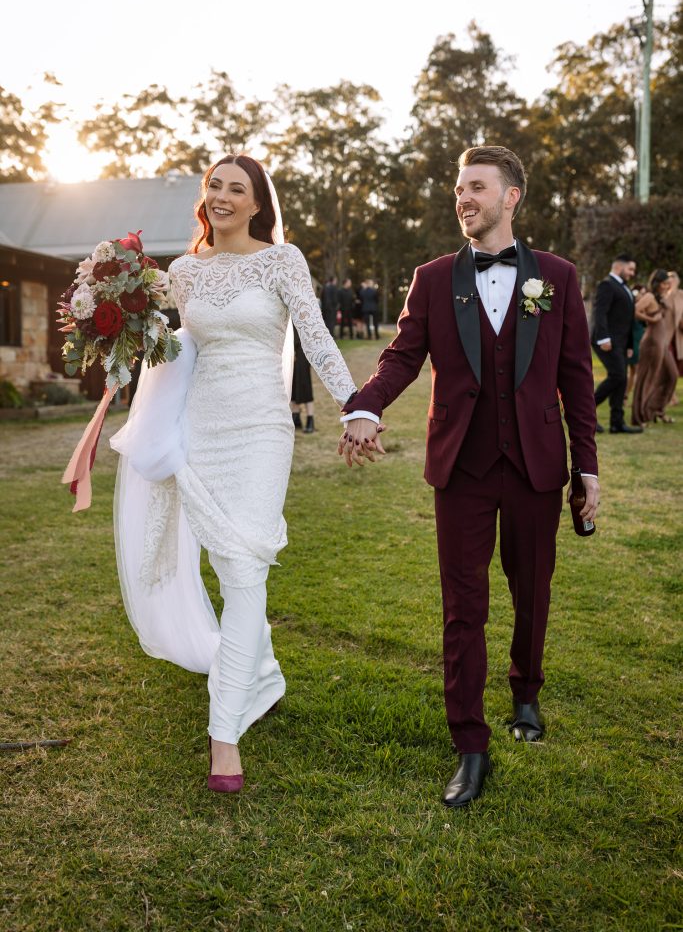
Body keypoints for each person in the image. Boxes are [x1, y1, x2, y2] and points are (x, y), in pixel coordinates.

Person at [339, 145, 599, 808]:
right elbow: (401, 357)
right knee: (463, 607)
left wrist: (587, 466)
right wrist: (365, 407)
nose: (463, 198)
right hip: (461, 467)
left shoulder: (556, 277)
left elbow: (575, 376)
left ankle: (526, 693)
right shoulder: (432, 279)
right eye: (459, 189)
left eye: (477, 187)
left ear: (510, 197)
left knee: (531, 591)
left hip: (536, 465)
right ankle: (470, 745)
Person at [110, 155, 356, 792]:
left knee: (245, 566)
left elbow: (316, 337)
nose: (222, 196)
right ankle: (263, 677)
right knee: (229, 567)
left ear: (256, 204)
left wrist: (356, 406)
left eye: (236, 188)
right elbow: (169, 349)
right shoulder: (184, 272)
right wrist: (116, 323)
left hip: (261, 430)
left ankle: (224, 734)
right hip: (201, 430)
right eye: (214, 185)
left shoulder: (282, 261)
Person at [591, 254, 642, 434]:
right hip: (606, 341)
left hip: (621, 343)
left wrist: (630, 345)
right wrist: (604, 338)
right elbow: (600, 313)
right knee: (618, 375)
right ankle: (585, 412)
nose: (632, 273)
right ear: (619, 267)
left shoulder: (624, 288)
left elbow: (628, 319)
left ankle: (617, 423)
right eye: (630, 269)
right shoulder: (607, 285)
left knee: (622, 379)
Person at [631, 269, 677, 425]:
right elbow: (634, 310)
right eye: (664, 283)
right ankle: (639, 416)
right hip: (652, 342)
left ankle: (655, 409)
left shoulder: (661, 297)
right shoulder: (649, 296)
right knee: (647, 378)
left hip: (662, 343)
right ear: (657, 283)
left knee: (671, 375)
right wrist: (651, 319)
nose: (666, 286)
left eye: (668, 284)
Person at [290, 327, 315, 433]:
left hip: (302, 350)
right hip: (293, 350)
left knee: (304, 385)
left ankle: (310, 419)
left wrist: (292, 349)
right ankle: (296, 417)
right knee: (292, 384)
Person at [625, 285, 647, 402]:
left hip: (640, 341)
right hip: (633, 342)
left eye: (644, 293)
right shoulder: (632, 307)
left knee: (634, 372)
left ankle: (625, 396)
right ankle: (636, 398)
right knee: (636, 371)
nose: (643, 295)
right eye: (641, 293)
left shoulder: (643, 308)